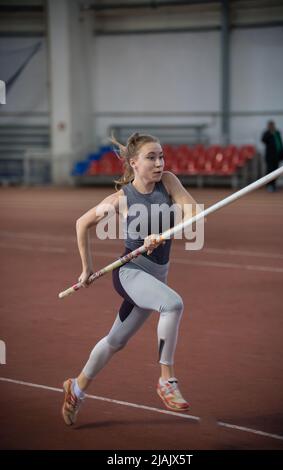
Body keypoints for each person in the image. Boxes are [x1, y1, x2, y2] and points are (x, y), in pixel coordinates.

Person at [61, 132, 200, 426]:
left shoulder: (170, 182)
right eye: (151, 157)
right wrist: (86, 269)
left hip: (155, 279)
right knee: (172, 305)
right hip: (131, 274)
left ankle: (76, 388)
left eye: (161, 156)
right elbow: (82, 223)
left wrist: (162, 234)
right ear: (134, 163)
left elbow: (192, 213)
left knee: (115, 341)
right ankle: (166, 379)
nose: (160, 163)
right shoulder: (121, 198)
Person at [261, 120, 283, 192]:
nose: (272, 126)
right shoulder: (267, 133)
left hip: (277, 156)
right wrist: (270, 134)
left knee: (276, 171)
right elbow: (263, 140)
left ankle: (274, 185)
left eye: (272, 125)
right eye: (270, 125)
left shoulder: (277, 132)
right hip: (269, 157)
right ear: (268, 126)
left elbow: (281, 143)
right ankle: (269, 185)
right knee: (270, 171)